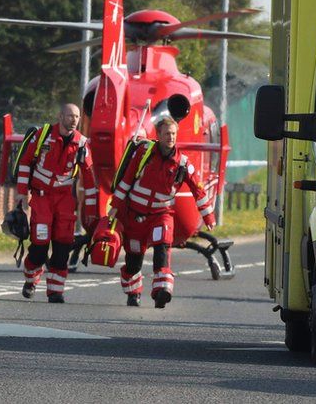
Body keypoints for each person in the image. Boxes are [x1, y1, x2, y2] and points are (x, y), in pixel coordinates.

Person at [108, 116, 215, 308]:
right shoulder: (143, 153)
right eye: (167, 134)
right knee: (133, 261)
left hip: (161, 215)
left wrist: (208, 216)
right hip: (135, 215)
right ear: (158, 135)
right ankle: (133, 293)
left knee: (162, 250)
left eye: (173, 134)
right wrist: (114, 207)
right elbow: (126, 180)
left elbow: (197, 190)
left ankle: (162, 292)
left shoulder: (182, 163)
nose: (171, 137)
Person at [15, 103, 97, 302]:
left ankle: (55, 290)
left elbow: (89, 177)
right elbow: (25, 163)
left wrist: (93, 210)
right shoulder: (43, 135)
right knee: (40, 244)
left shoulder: (82, 143)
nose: (74, 120)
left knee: (62, 245)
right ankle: (31, 278)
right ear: (60, 116)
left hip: (65, 200)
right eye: (70, 116)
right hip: (42, 198)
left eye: (77, 116)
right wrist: (22, 194)